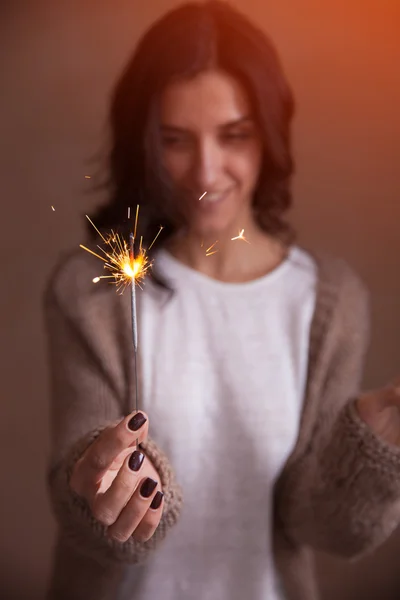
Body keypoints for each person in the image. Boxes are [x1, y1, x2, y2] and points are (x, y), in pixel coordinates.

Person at [44, 2, 400, 600]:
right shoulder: (93, 291)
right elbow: (72, 490)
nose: (205, 170)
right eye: (175, 140)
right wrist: (98, 483)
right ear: (144, 142)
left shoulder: (330, 302)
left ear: (271, 130)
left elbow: (317, 523)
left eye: (234, 135)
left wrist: (369, 451)